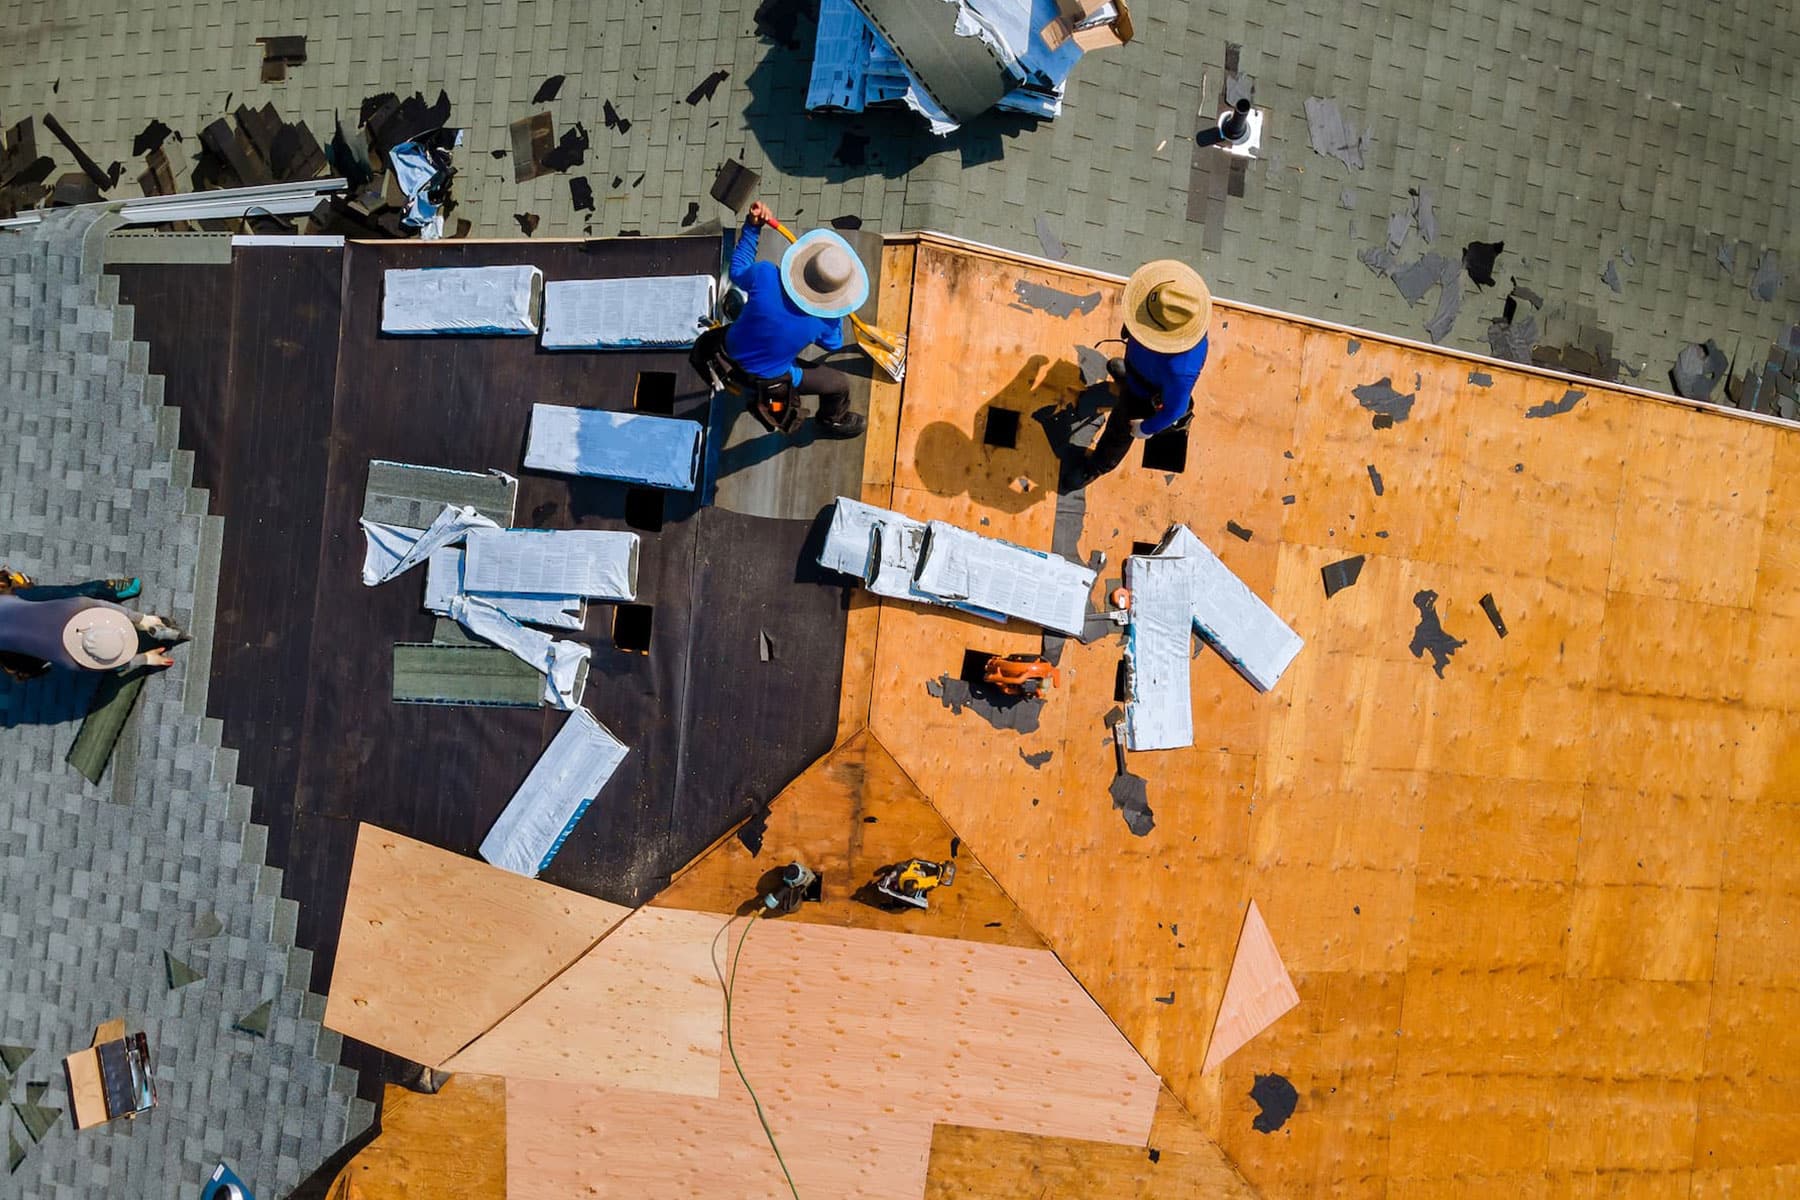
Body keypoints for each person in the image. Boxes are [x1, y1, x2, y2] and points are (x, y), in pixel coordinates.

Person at [712, 200, 868, 439]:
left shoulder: (764, 274)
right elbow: (834, 343)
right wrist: (834, 311)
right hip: (766, 378)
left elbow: (738, 269)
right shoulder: (822, 322)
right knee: (839, 385)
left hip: (726, 352)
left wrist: (752, 227)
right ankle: (832, 420)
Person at [1074, 259, 1213, 483]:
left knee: (1119, 431)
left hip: (1144, 394)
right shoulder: (1166, 307)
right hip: (1137, 370)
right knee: (1126, 373)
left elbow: (1176, 409)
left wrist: (1147, 427)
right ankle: (1127, 378)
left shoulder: (1181, 370)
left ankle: (1096, 467)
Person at [0, 580, 187, 678]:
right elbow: (116, 664)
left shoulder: (78, 605)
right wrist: (144, 656)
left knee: (37, 595)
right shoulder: (70, 661)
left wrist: (144, 621)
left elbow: (101, 606)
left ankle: (104, 587)